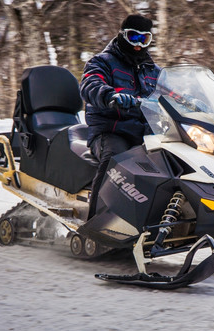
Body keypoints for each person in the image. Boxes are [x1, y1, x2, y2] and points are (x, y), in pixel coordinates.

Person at [80, 14, 161, 219]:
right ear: (122, 35)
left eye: (144, 39)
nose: (138, 45)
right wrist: (110, 95)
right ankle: (95, 220)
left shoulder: (153, 71)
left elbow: (171, 93)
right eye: (134, 37)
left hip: (145, 133)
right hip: (111, 131)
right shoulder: (102, 62)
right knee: (115, 159)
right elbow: (90, 83)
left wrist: (190, 102)